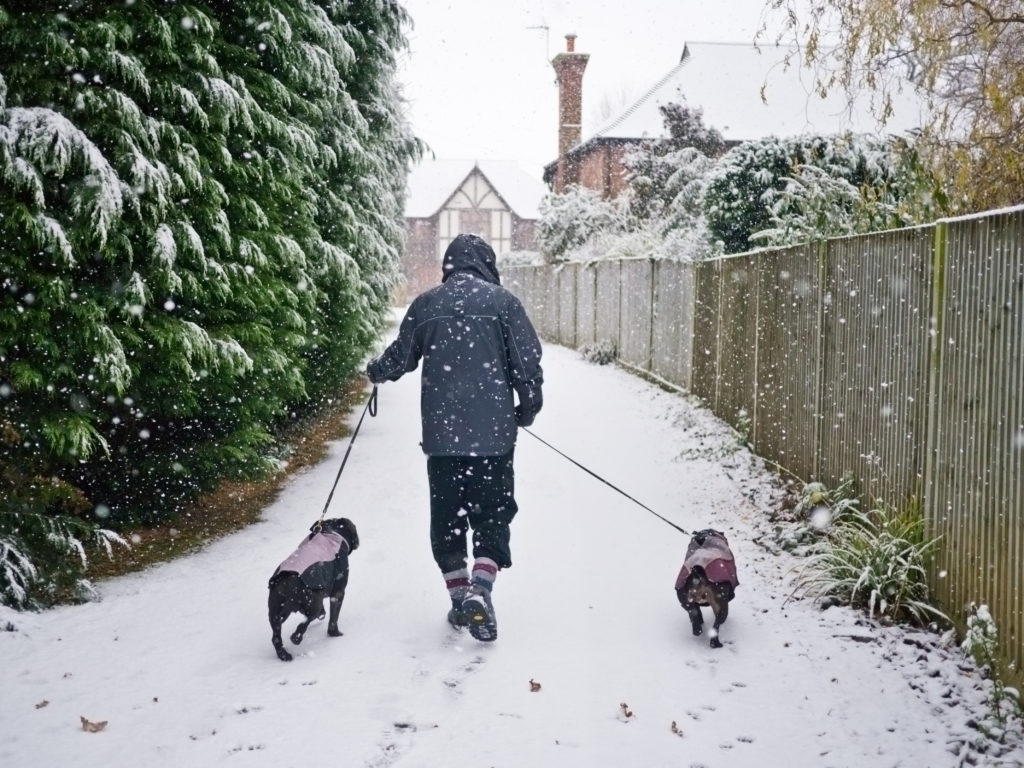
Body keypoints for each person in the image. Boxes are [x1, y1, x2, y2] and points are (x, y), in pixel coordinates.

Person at [365, 233, 543, 642]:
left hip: (442, 440)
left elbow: (401, 356)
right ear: (486, 264)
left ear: (449, 265)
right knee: (492, 514)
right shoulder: (503, 304)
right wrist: (526, 410)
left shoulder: (427, 305)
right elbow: (527, 365)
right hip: (494, 440)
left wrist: (376, 371)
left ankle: (460, 595)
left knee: (447, 521)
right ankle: (481, 589)